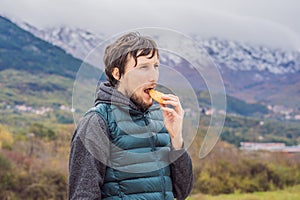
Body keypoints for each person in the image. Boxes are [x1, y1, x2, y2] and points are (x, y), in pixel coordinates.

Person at [68, 32, 194, 200]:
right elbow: (83, 195)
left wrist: (176, 138)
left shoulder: (161, 119)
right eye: (143, 67)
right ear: (117, 74)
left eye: (155, 66)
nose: (153, 77)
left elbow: (182, 192)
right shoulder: (97, 121)